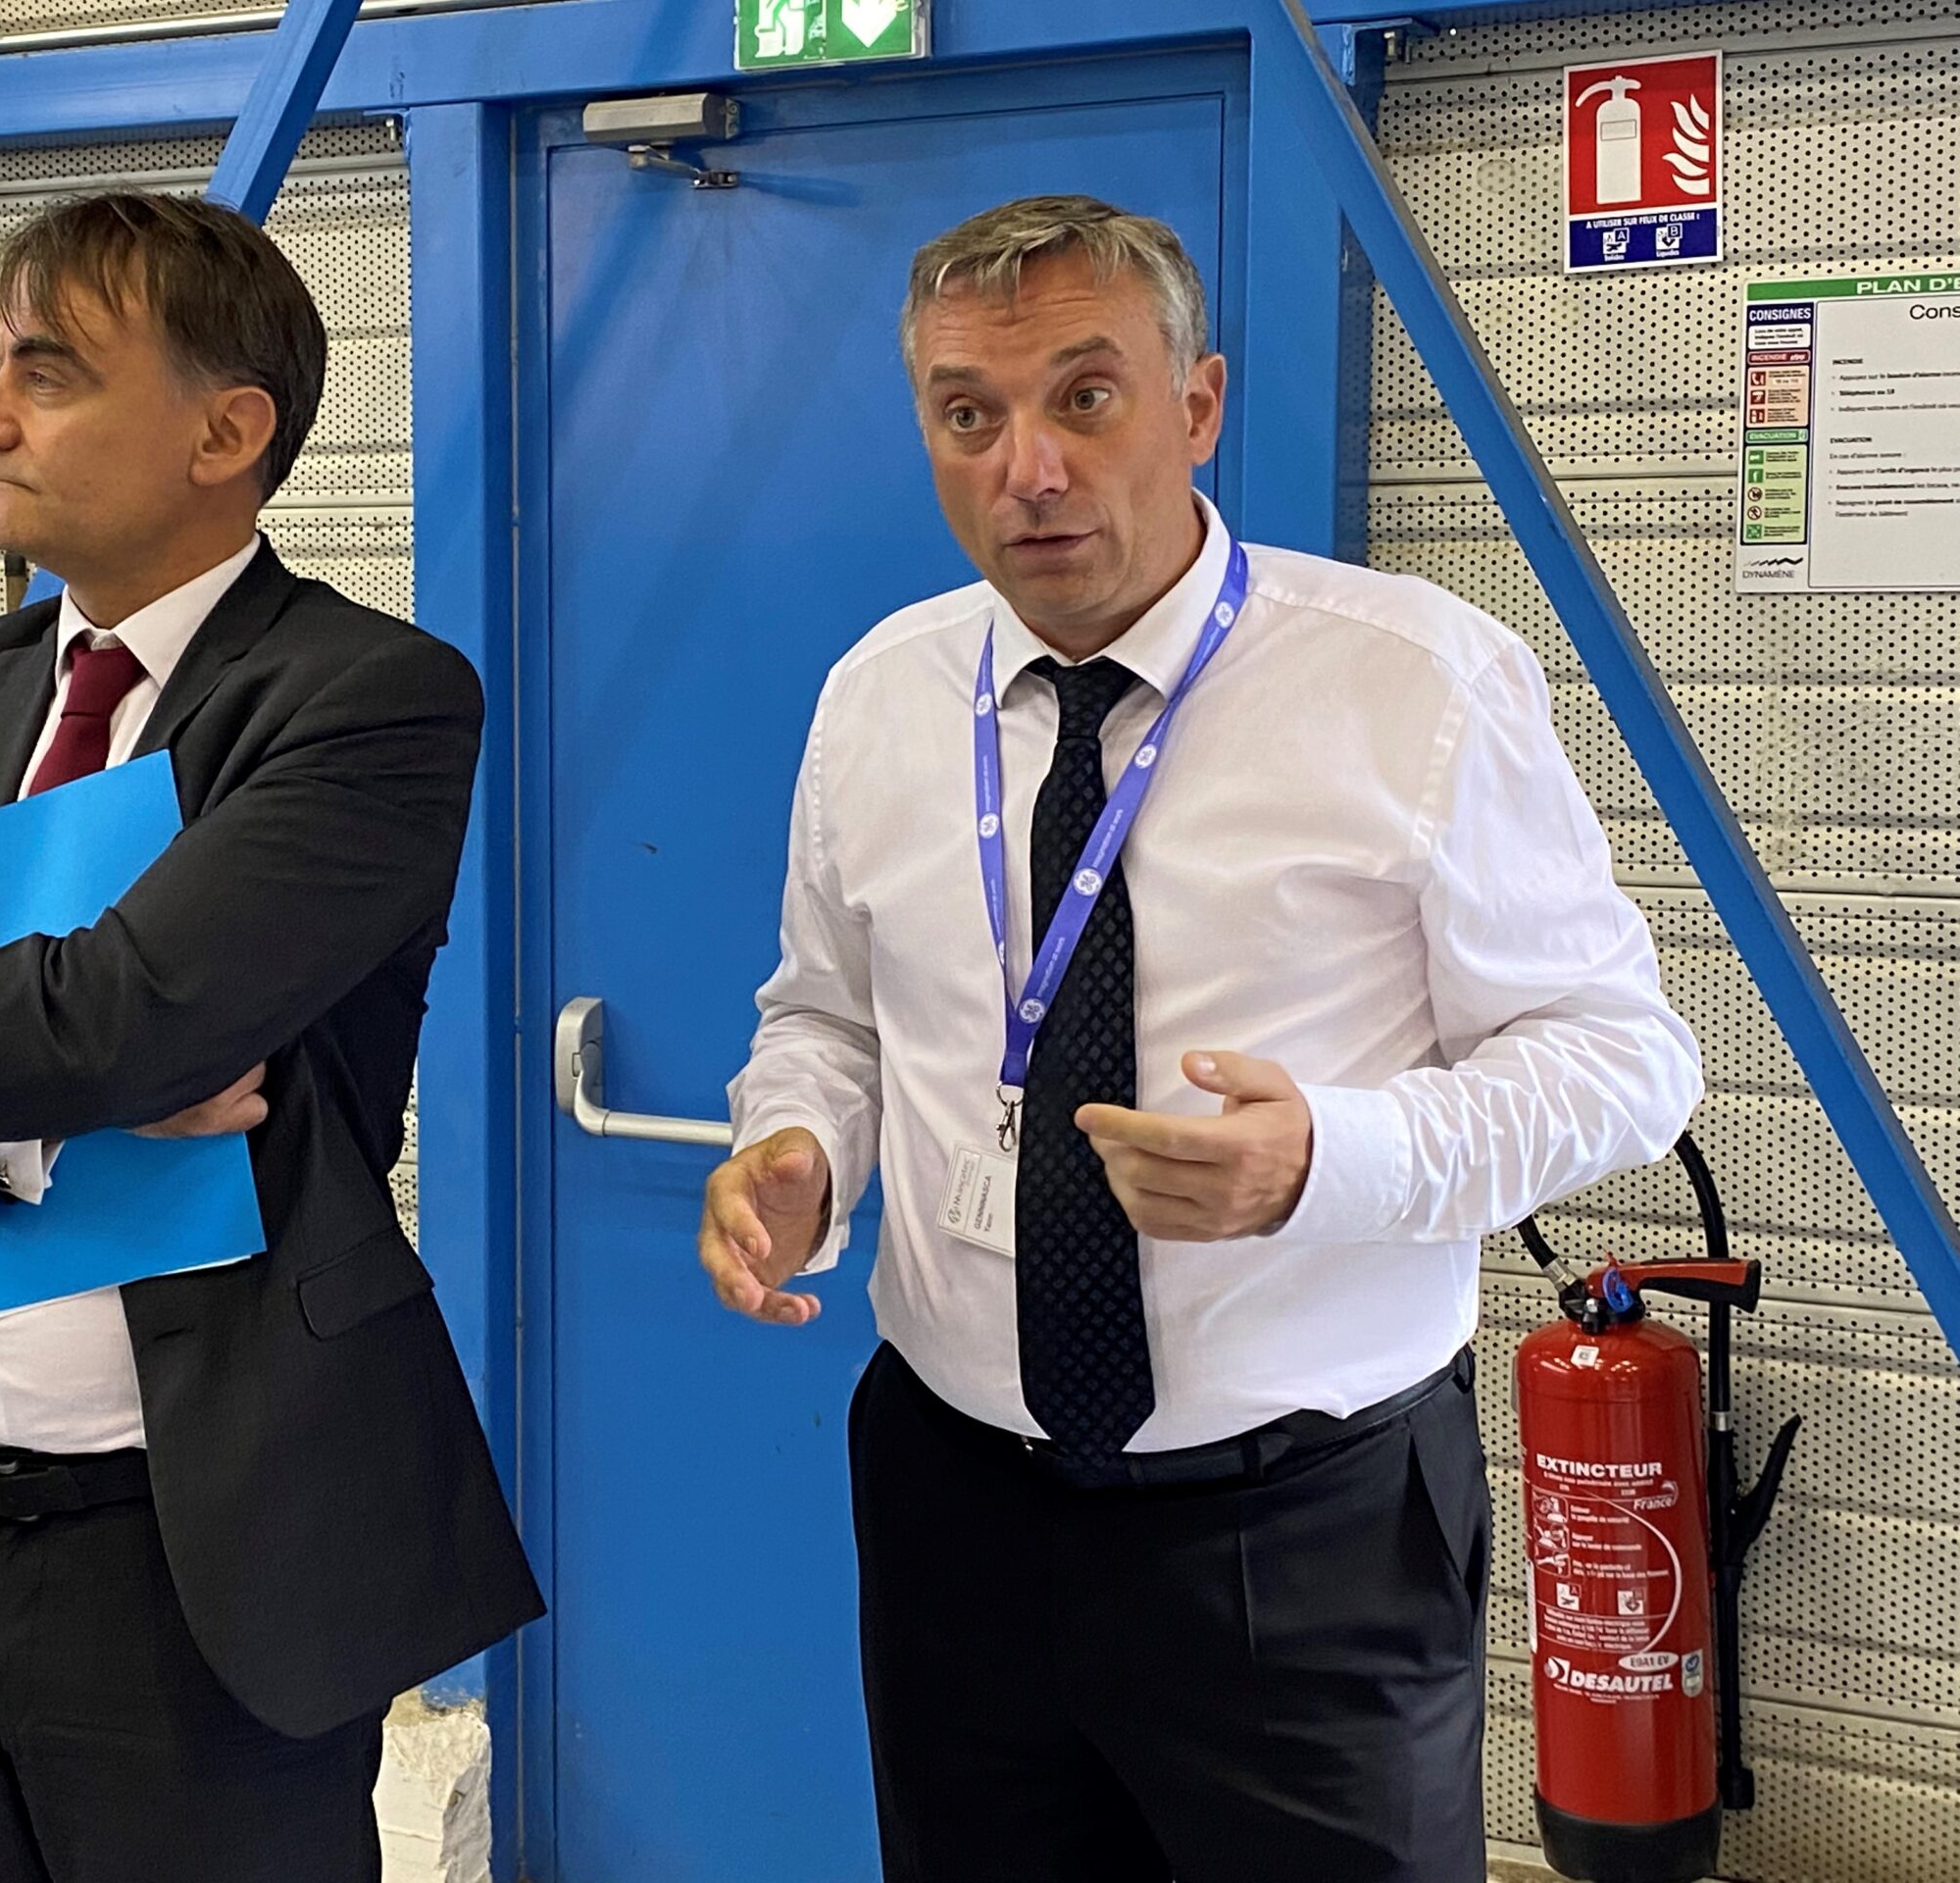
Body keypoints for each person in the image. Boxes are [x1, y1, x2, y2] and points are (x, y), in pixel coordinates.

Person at [699, 194, 1703, 1882]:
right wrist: (796, 1143)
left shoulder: (1416, 683)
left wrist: (1331, 1159)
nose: (1028, 468)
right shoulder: (879, 694)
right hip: (957, 1510)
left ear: (1199, 404)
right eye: (968, 413)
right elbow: (824, 1012)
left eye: (1085, 398)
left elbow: (1622, 1057)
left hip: (1304, 1537)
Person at [0, 191, 541, 1883]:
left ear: (229, 433)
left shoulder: (363, 697)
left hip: (207, 1556)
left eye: (49, 373)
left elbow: (129, 1016)